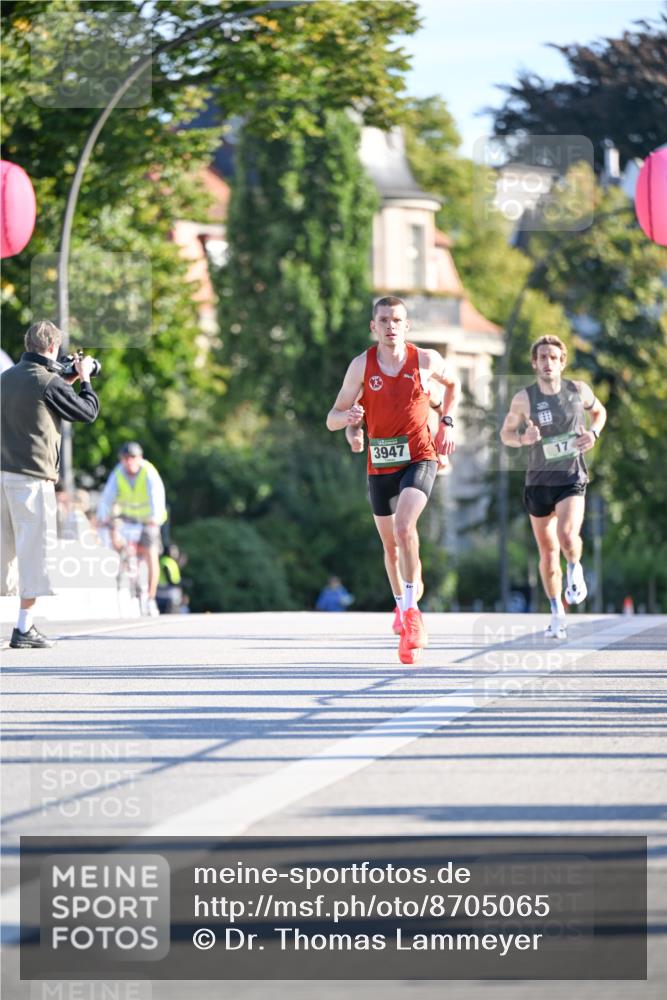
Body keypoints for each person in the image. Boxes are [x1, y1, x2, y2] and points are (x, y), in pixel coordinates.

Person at [327, 296, 460, 664]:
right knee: (391, 547)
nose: (390, 326)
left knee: (404, 527)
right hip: (380, 465)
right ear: (374, 326)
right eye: (383, 320)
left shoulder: (426, 361)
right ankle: (402, 605)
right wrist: (349, 419)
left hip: (420, 457)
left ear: (406, 325)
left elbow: (454, 386)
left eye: (397, 320)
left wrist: (447, 423)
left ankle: (413, 613)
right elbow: (332, 417)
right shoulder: (361, 366)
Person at [500, 335, 606, 639]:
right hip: (538, 482)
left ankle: (575, 565)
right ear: (534, 363)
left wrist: (594, 434)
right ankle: (557, 612)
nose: (548, 362)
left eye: (553, 357)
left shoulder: (579, 391)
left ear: (562, 362)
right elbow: (505, 434)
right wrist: (524, 439)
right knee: (547, 552)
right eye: (542, 357)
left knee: (566, 535)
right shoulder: (524, 398)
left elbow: (600, 413)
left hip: (571, 477)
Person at [1, 320, 99, 648]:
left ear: (28, 344)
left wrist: (64, 380)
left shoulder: (6, 378)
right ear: (53, 347)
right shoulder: (46, 382)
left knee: (4, 557)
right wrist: (83, 378)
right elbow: (87, 411)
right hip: (31, 481)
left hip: (2, 478)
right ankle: (24, 628)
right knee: (33, 557)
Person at [96, 442, 167, 617]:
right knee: (115, 537)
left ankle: (150, 598)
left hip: (148, 520)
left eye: (133, 458)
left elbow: (157, 496)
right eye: (125, 458)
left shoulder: (148, 472)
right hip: (127, 519)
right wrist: (102, 517)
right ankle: (127, 568)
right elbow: (107, 498)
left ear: (140, 458)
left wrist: (155, 519)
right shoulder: (118, 472)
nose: (129, 462)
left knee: (151, 555)